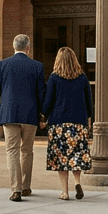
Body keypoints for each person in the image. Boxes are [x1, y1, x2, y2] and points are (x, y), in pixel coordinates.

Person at [0, 34, 45, 202]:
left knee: (12, 151)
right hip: (30, 115)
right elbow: (41, 93)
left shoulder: (2, 65)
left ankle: (16, 190)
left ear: (14, 47)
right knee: (27, 151)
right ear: (28, 48)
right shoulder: (37, 66)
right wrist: (43, 115)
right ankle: (26, 186)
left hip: (9, 114)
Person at [41, 46, 93, 200]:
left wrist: (43, 117)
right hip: (78, 123)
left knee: (61, 159)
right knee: (77, 156)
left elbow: (48, 102)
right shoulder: (82, 78)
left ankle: (65, 191)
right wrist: (88, 119)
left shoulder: (54, 78)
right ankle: (77, 182)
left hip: (59, 124)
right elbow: (89, 102)